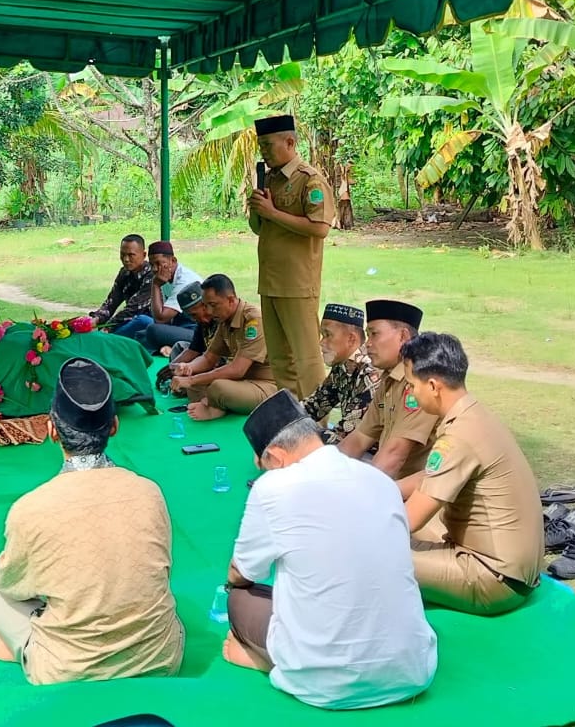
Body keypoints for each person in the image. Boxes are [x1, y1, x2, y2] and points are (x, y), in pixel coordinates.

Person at [0, 356, 183, 684]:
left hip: (70, 669)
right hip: (161, 658)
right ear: (114, 426)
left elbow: (11, 585)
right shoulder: (149, 492)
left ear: (51, 429)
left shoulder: (31, 508)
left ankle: (24, 648)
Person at [223, 390, 437, 709]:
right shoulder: (380, 482)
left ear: (277, 457)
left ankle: (272, 662)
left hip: (324, 684)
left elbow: (242, 573)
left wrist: (236, 581)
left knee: (239, 597)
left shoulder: (273, 488)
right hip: (412, 671)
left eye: (265, 466)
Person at [398, 331, 544, 616]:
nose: (411, 393)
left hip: (493, 579)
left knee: (370, 552)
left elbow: (410, 520)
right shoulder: (472, 415)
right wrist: (380, 488)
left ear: (432, 385)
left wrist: (354, 520)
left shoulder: (459, 437)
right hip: (511, 568)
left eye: (412, 385)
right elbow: (429, 477)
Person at [247, 114, 335, 400]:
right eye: (260, 145)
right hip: (270, 282)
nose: (263, 151)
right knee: (280, 360)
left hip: (297, 283)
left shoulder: (310, 181)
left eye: (268, 145)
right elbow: (260, 229)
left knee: (306, 359)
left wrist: (274, 213)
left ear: (290, 142)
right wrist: (259, 210)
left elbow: (320, 228)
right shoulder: (270, 178)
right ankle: (291, 417)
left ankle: (318, 424)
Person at [338, 300, 439, 478]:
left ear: (403, 337)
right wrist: (324, 471)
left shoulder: (421, 381)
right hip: (395, 485)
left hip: (420, 492)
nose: (367, 344)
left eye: (374, 334)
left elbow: (394, 455)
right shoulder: (389, 379)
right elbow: (360, 438)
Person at [171, 273, 276, 421]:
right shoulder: (225, 320)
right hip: (242, 383)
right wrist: (188, 367)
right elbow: (208, 358)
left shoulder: (254, 320)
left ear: (231, 300)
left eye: (213, 305)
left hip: (266, 386)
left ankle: (216, 407)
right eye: (206, 306)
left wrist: (192, 380)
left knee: (218, 387)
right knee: (195, 383)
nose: (209, 312)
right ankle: (216, 403)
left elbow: (237, 370)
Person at [301, 302, 381, 442]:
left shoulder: (370, 374)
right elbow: (314, 407)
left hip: (370, 456)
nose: (321, 343)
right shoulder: (341, 365)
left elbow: (344, 435)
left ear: (351, 339)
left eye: (328, 335)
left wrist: (291, 438)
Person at [111, 241, 200, 344]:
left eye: (158, 263)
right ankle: (110, 340)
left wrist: (155, 285)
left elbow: (161, 319)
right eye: (152, 264)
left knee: (152, 331)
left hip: (196, 332)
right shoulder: (165, 276)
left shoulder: (184, 281)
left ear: (173, 260)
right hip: (176, 326)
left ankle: (111, 342)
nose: (154, 269)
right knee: (142, 324)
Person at [154, 282, 219, 394]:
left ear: (204, 305)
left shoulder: (221, 318)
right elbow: (193, 350)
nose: (194, 319)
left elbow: (212, 359)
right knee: (179, 347)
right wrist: (171, 367)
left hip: (218, 361)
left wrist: (186, 369)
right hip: (205, 358)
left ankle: (188, 384)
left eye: (194, 315)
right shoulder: (202, 323)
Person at [89, 234, 153, 331]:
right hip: (131, 320)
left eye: (131, 255)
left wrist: (108, 327)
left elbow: (134, 309)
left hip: (150, 322)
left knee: (141, 320)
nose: (126, 259)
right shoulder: (124, 272)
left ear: (144, 255)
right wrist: (96, 319)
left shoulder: (152, 274)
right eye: (122, 254)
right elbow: (112, 301)